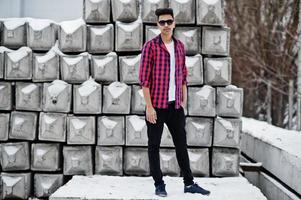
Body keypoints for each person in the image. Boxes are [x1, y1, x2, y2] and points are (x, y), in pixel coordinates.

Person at [138, 7, 211, 197]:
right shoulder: (151, 47)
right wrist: (149, 107)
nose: (166, 25)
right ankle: (159, 184)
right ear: (157, 24)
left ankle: (189, 183)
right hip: (156, 106)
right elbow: (144, 80)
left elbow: (183, 75)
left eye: (169, 21)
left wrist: (183, 99)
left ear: (174, 23)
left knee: (181, 145)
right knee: (154, 146)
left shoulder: (179, 46)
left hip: (175, 106)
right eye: (162, 22)